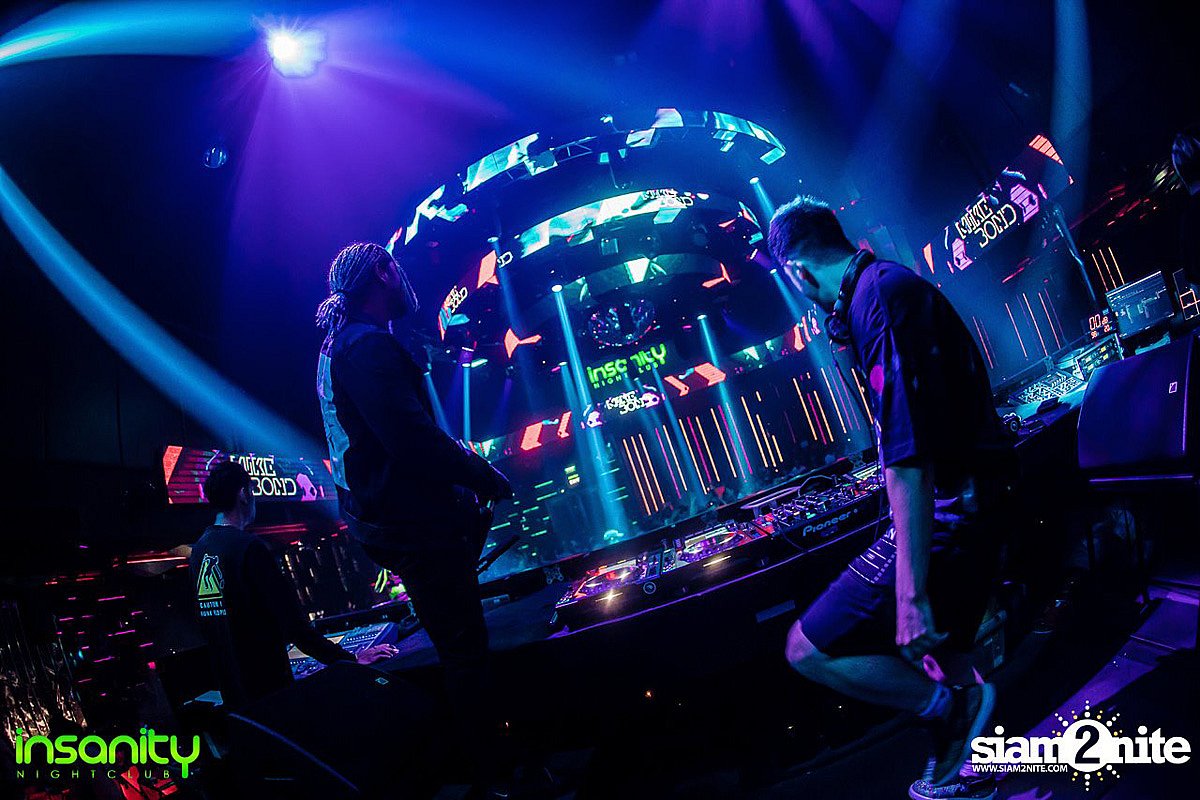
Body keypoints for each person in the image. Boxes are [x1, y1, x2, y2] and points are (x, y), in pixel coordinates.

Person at [768, 196, 1013, 797]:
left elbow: (909, 456)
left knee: (806, 649)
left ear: (797, 272)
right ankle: (970, 770)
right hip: (969, 499)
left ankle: (949, 710)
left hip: (956, 507)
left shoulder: (879, 299)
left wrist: (911, 596)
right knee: (945, 654)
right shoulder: (878, 289)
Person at [314, 242, 514, 788]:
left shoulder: (338, 347)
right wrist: (482, 476)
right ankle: (498, 779)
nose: (405, 282)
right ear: (383, 273)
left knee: (458, 652)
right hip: (412, 526)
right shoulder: (364, 346)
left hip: (388, 523)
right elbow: (411, 441)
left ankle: (486, 774)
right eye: (397, 271)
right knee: (466, 655)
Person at [188, 461, 395, 708]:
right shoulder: (248, 547)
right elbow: (294, 626)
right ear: (243, 494)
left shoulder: (200, 550)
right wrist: (351, 659)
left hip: (235, 699)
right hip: (269, 691)